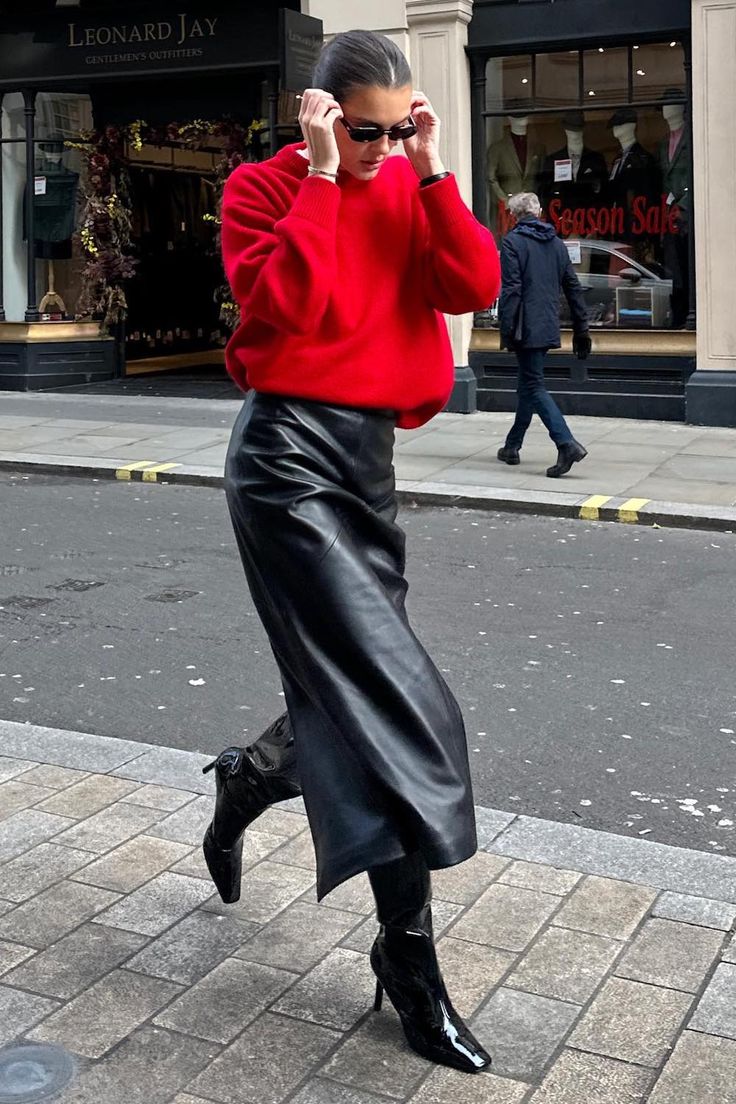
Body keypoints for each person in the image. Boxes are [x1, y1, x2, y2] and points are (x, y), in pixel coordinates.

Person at [201, 30, 500, 1074]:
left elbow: (472, 288)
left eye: (396, 127)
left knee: (353, 694)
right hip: (284, 461)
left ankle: (249, 778)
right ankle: (408, 965)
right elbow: (287, 309)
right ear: (322, 114)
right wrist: (324, 180)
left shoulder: (409, 185)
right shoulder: (263, 191)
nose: (380, 145)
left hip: (366, 469)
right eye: (362, 129)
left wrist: (432, 173)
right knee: (403, 705)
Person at [497, 192, 591, 477]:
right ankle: (512, 446)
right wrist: (581, 328)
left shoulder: (512, 242)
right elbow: (573, 288)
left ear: (514, 216)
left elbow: (511, 289)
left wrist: (507, 326)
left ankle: (566, 443)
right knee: (528, 384)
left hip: (525, 326)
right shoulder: (556, 244)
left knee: (534, 386)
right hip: (547, 324)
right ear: (537, 213)